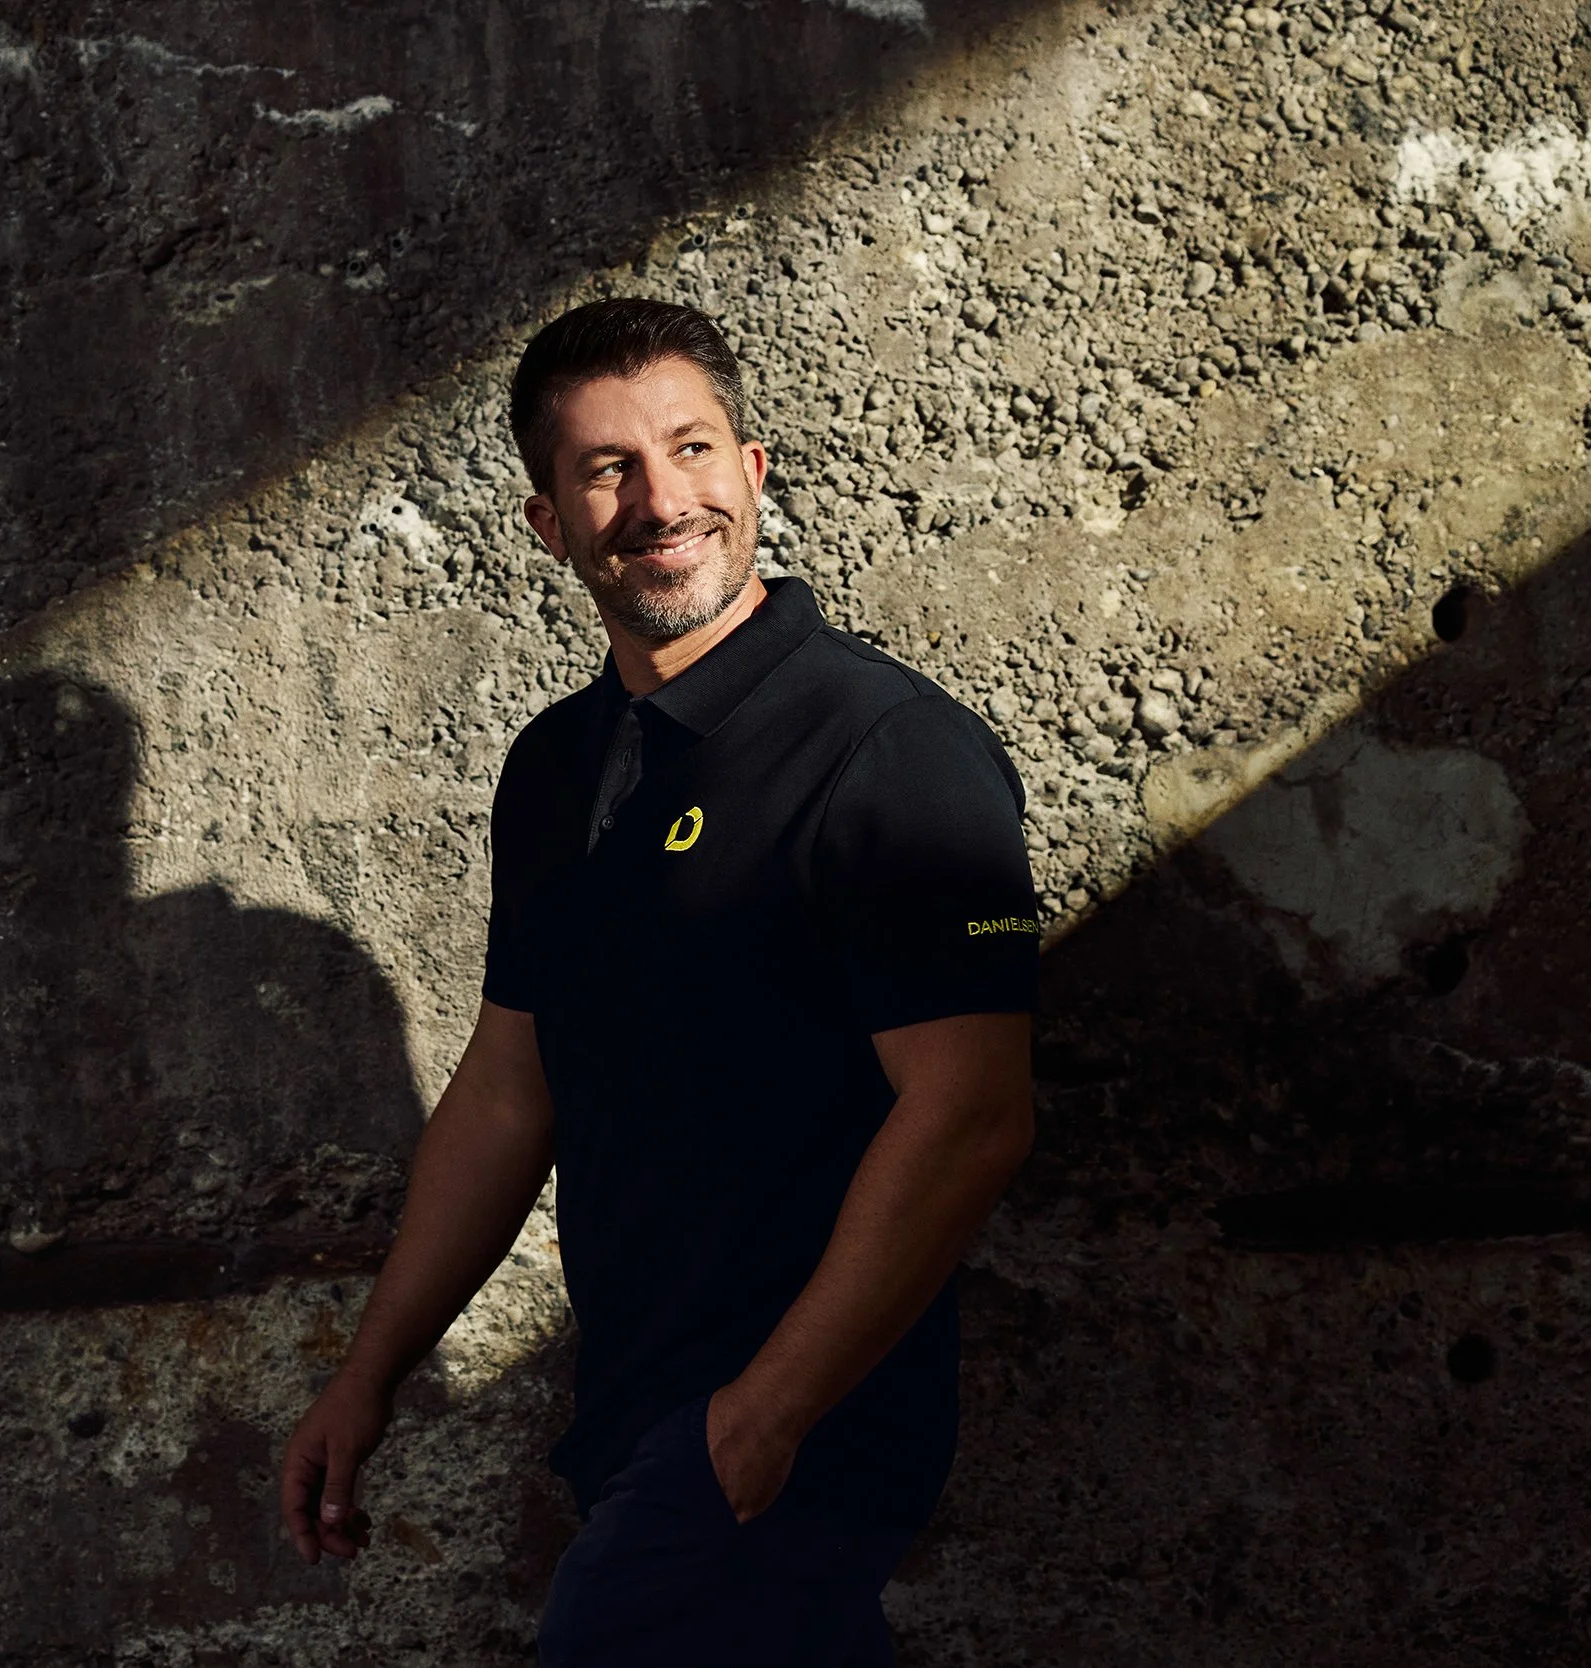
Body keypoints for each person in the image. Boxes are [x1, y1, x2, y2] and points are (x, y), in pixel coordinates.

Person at [277, 297, 1040, 1664]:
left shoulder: (885, 748)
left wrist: (766, 1413)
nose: (661, 500)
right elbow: (509, 1090)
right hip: (640, 1416)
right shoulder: (555, 769)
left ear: (753, 470)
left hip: (792, 1434)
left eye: (690, 449)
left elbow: (972, 1113)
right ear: (549, 523)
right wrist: (369, 1372)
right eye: (607, 468)